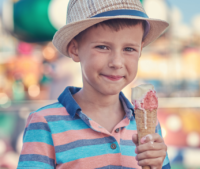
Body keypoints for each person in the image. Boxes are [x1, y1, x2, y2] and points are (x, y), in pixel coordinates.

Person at [17, 0, 170, 168]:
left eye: (129, 49)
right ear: (75, 49)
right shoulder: (44, 123)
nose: (117, 62)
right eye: (103, 47)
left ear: (140, 50)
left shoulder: (149, 124)